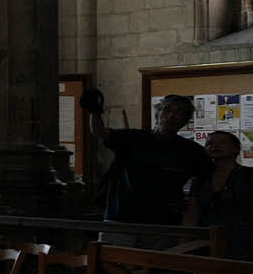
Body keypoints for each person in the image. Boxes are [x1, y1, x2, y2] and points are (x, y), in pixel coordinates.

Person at [89, 89, 210, 225]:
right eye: (167, 110)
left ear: (185, 120)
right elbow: (99, 131)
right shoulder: (133, 138)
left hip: (163, 222)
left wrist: (191, 203)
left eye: (179, 113)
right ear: (158, 113)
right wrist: (95, 111)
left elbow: (207, 178)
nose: (171, 116)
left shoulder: (192, 151)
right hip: (121, 218)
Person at [192, 131, 253, 262]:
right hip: (209, 246)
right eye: (209, 143)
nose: (215, 146)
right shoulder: (201, 180)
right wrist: (185, 242)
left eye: (222, 142)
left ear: (236, 149)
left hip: (248, 245)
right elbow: (192, 214)